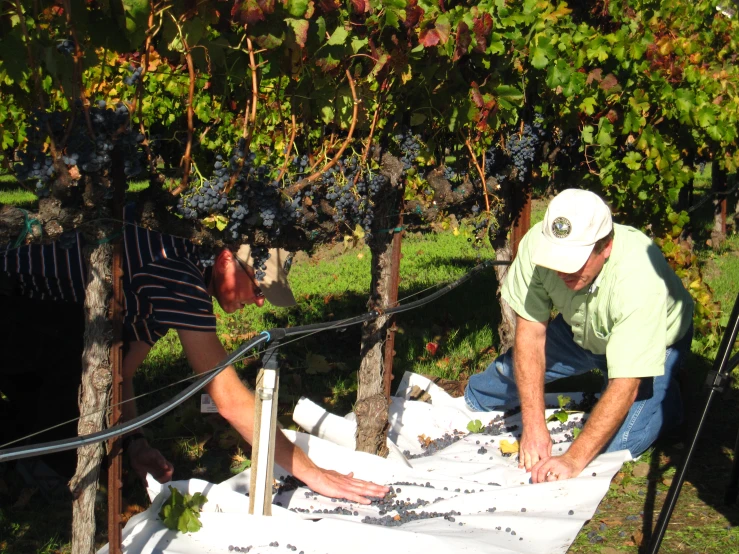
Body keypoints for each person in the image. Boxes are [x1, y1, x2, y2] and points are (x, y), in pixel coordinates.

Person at [1, 203, 388, 503]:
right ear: (224, 260)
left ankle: (30, 453)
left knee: (92, 368)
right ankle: (30, 461)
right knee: (70, 387)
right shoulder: (179, 277)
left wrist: (135, 442)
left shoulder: (172, 286)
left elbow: (124, 370)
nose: (257, 301)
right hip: (17, 295)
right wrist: (314, 475)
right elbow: (230, 400)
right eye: (257, 287)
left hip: (42, 309)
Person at [464, 189, 694, 484]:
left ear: (606, 247)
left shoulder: (638, 277)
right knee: (483, 393)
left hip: (658, 341)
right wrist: (533, 426)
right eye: (557, 258)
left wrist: (572, 460)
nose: (563, 270)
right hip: (580, 330)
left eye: (575, 261)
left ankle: (669, 401)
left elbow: (626, 384)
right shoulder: (536, 245)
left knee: (617, 445)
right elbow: (531, 335)